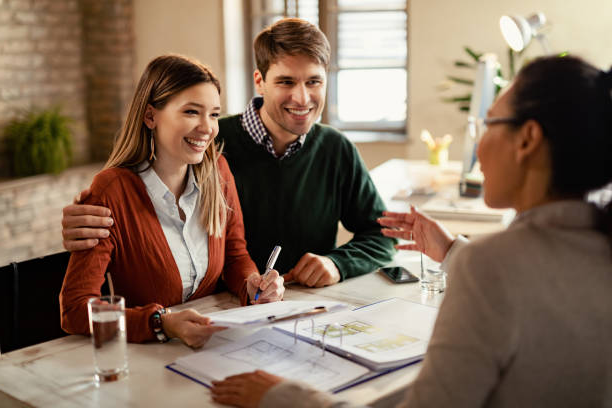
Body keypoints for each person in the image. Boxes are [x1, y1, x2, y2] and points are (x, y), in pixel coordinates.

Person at [210, 55, 612, 407]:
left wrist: (285, 398)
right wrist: (455, 251)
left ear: (527, 140)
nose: (478, 145)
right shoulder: (598, 242)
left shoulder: (489, 266)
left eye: (489, 123)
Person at [60, 18, 395, 288]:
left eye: (314, 81)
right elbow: (143, 203)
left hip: (306, 310)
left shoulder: (336, 149)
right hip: (217, 312)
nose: (303, 97)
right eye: (286, 82)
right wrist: (90, 215)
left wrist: (337, 263)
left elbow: (380, 235)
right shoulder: (206, 147)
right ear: (259, 81)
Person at [60, 55, 284, 347]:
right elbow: (75, 309)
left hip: (214, 347)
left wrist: (252, 284)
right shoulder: (111, 191)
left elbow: (235, 255)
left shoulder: (218, 172)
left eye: (214, 114)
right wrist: (160, 323)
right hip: (146, 358)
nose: (207, 128)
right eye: (192, 112)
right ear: (150, 116)